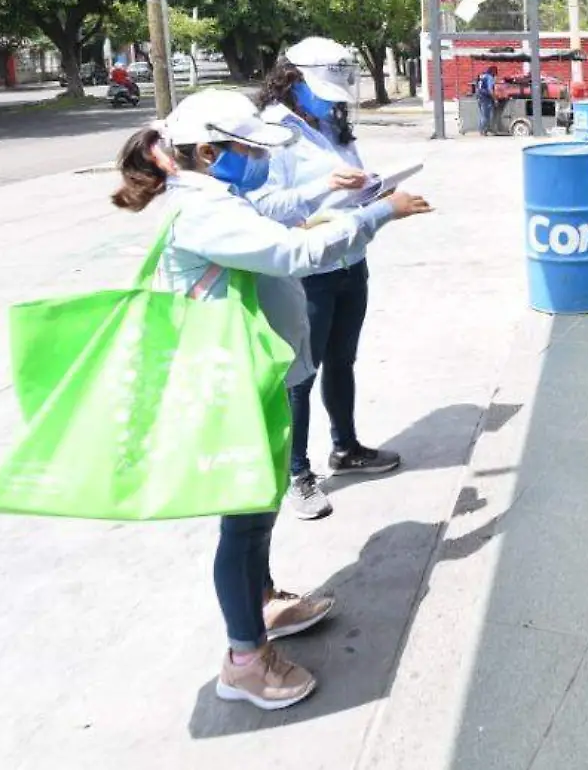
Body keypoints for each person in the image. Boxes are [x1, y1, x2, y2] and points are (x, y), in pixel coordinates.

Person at [109, 89, 432, 710]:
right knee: (247, 519)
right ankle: (245, 660)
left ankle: (260, 604)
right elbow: (293, 251)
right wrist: (377, 213)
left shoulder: (215, 194)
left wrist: (326, 197)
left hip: (257, 376)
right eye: (252, 151)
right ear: (208, 151)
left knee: (257, 509)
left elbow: (270, 211)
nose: (261, 161)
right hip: (235, 387)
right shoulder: (203, 213)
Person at [252, 38, 401, 521]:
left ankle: (346, 447)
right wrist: (325, 186)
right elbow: (265, 206)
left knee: (342, 360)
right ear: (292, 79)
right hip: (307, 271)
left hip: (348, 260)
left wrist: (373, 188)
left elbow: (349, 178)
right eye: (324, 91)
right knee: (300, 375)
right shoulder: (271, 133)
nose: (333, 100)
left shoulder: (331, 123)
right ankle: (297, 474)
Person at [473, 66, 500, 136]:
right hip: (486, 98)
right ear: (493, 71)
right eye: (495, 72)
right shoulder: (490, 77)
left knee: (483, 115)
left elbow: (477, 87)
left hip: (479, 96)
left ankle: (483, 129)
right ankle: (483, 131)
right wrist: (495, 99)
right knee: (486, 115)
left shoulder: (482, 76)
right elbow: (490, 90)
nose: (496, 74)